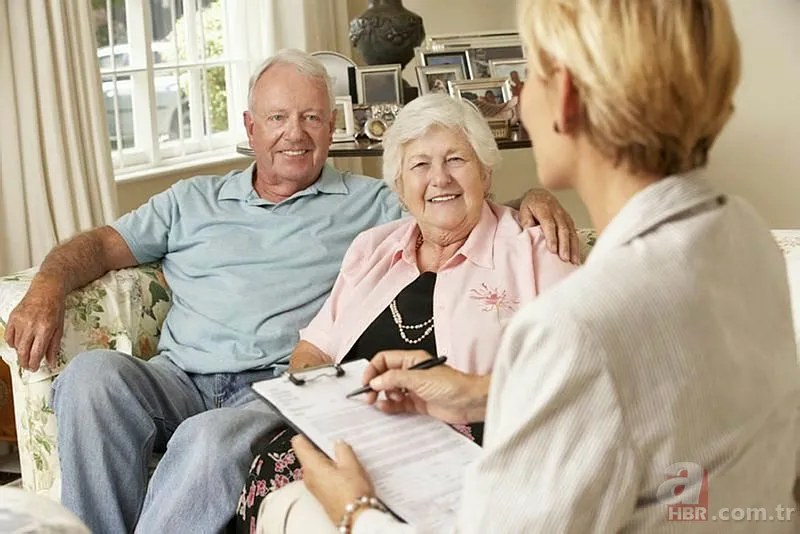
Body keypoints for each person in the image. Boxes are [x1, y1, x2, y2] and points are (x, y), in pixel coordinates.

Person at [259, 1, 800, 532]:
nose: (517, 98)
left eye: (529, 75)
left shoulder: (578, 325)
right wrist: (475, 391)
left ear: (564, 96)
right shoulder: (741, 233)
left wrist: (355, 510)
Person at [1, 49, 578, 533]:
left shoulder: (372, 206)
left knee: (209, 438)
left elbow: (451, 197)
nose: (295, 135)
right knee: (91, 377)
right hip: (178, 375)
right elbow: (101, 246)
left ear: (331, 127)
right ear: (250, 128)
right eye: (277, 119)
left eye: (311, 118)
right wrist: (46, 285)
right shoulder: (191, 199)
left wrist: (537, 200)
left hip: (272, 389)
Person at [234, 93, 577, 531]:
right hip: (357, 432)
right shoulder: (372, 248)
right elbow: (313, 350)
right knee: (274, 463)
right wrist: (318, 407)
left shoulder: (536, 248)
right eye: (419, 165)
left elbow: (581, 367)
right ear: (399, 184)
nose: (440, 179)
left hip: (469, 442)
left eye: (456, 159)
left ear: (486, 172)